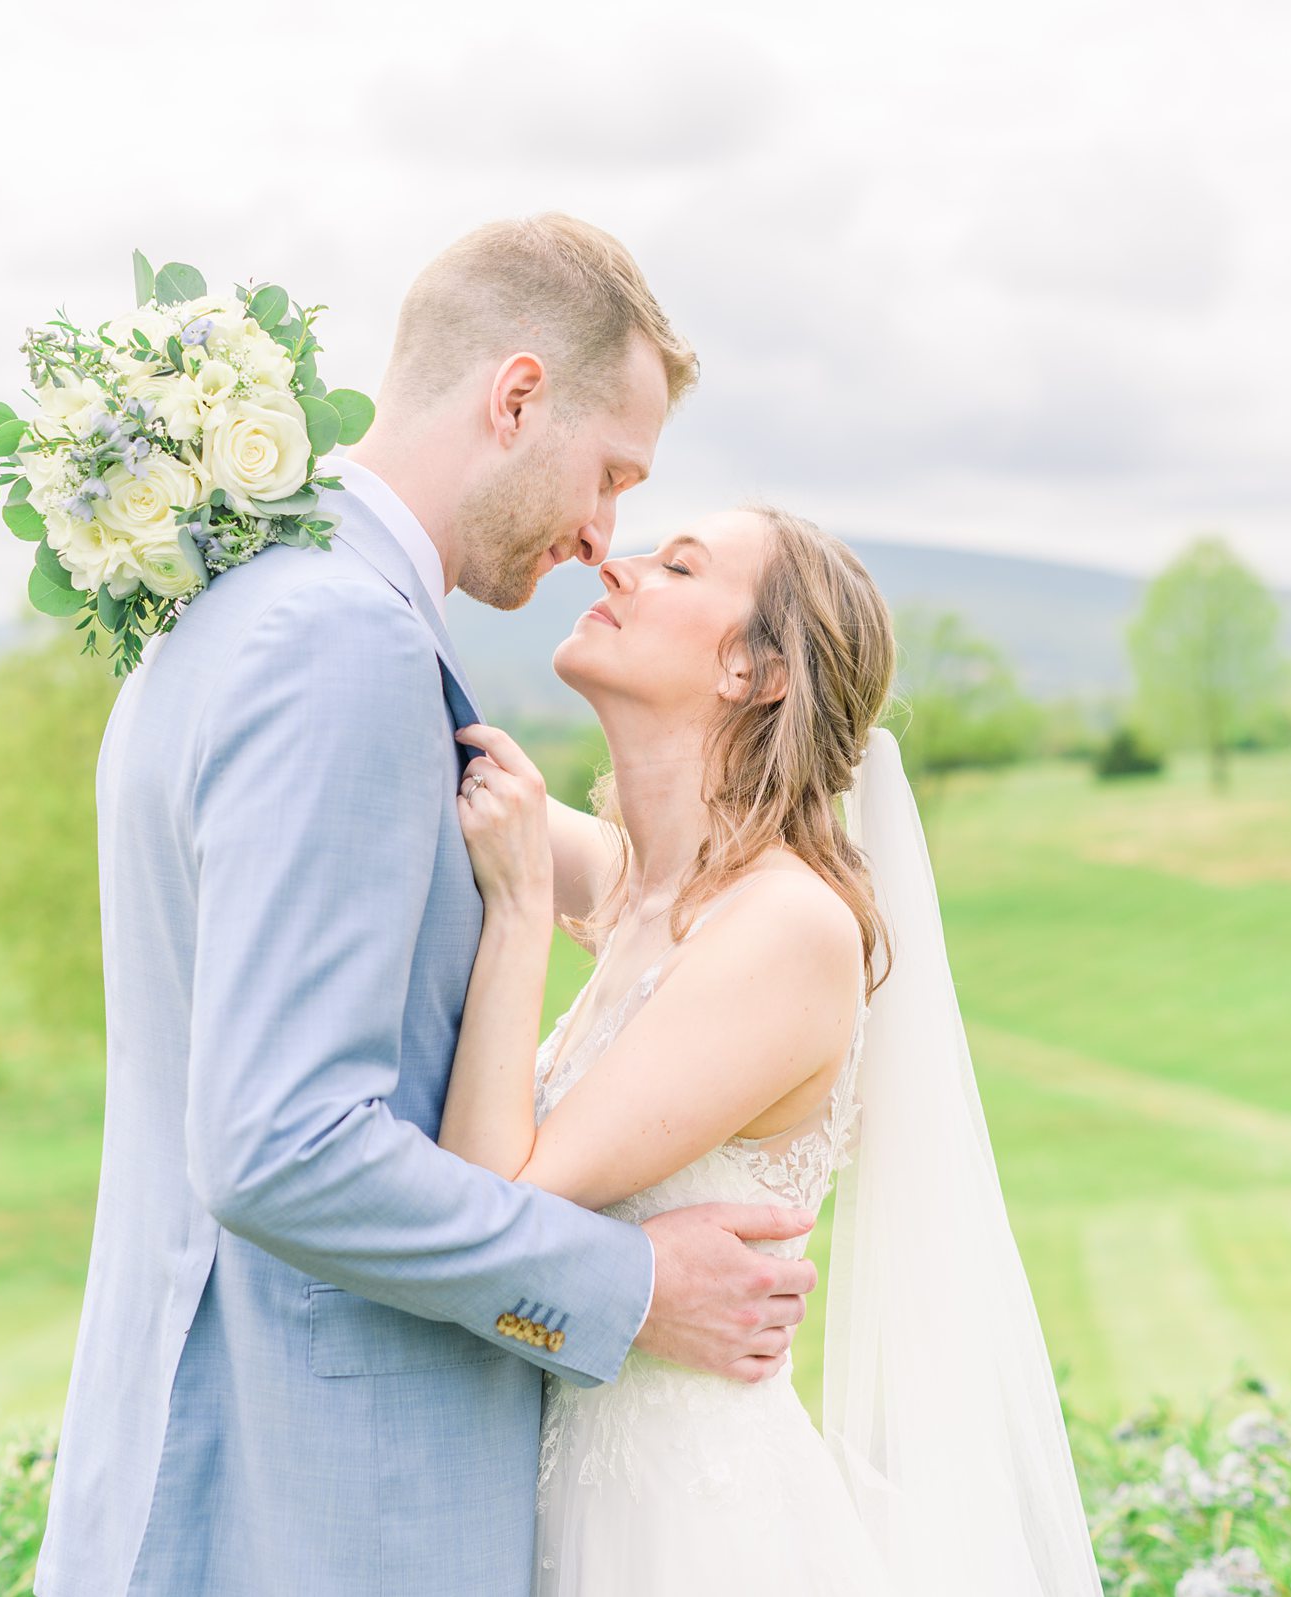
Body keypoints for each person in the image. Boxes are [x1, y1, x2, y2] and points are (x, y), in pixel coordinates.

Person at [34, 215, 824, 1597]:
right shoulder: (344, 642)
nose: (605, 537)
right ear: (516, 398)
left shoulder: (245, 610)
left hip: (249, 1477)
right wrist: (630, 1288)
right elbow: (279, 1145)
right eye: (612, 473)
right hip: (336, 1508)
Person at [445, 506, 1104, 1594]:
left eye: (680, 563)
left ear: (755, 670)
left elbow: (489, 1200)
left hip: (687, 1535)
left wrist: (515, 912)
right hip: (570, 1503)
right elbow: (445, 772)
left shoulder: (786, 931)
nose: (619, 561)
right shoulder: (645, 889)